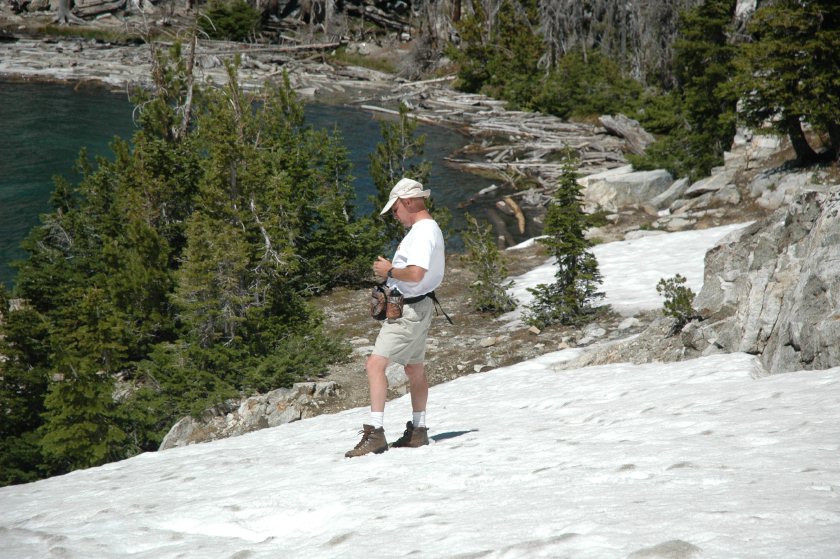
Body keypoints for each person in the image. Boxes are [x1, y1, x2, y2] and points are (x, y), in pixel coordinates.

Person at [345, 177, 446, 458]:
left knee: (375, 365)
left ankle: (375, 433)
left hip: (410, 310)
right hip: (419, 306)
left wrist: (389, 271)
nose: (394, 215)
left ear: (408, 202)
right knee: (414, 369)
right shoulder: (427, 228)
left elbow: (415, 274)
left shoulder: (423, 231)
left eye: (395, 210)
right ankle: (418, 430)